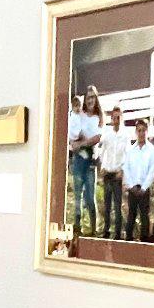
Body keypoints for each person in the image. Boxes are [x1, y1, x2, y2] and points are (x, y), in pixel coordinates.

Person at [67, 87, 102, 234]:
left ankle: (93, 229)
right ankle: (77, 227)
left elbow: (96, 138)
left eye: (93, 97)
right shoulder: (78, 115)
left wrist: (81, 143)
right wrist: (74, 143)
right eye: (88, 97)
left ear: (96, 99)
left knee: (90, 197)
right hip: (78, 159)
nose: (90, 100)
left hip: (90, 161)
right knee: (77, 196)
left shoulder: (98, 118)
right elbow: (72, 134)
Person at [122, 119, 154, 242]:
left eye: (143, 130)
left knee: (144, 215)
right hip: (133, 188)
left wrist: (144, 187)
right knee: (131, 215)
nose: (141, 133)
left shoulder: (151, 150)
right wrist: (131, 185)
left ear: (147, 131)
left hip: (144, 189)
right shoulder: (130, 150)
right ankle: (128, 239)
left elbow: (152, 170)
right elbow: (126, 168)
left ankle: (145, 241)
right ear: (136, 132)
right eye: (139, 130)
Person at [96, 104, 131, 239]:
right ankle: (106, 230)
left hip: (117, 173)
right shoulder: (107, 134)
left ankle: (117, 232)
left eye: (118, 117)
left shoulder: (125, 136)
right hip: (108, 172)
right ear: (111, 118)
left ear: (121, 118)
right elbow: (102, 151)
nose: (116, 120)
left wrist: (123, 170)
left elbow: (128, 155)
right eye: (114, 117)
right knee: (107, 204)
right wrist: (102, 167)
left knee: (117, 205)